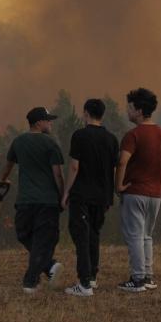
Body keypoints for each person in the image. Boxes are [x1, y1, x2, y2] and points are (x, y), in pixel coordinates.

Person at [0, 107, 65, 294]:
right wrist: (62, 196)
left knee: (24, 235)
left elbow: (8, 165)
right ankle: (39, 275)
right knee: (42, 241)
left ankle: (36, 276)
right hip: (47, 201)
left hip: (26, 201)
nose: (50, 123)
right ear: (38, 123)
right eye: (47, 120)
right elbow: (58, 174)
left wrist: (3, 180)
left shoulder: (18, 142)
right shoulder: (50, 144)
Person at [61, 99, 119, 297]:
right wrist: (110, 195)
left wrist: (66, 191)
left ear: (85, 113)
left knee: (81, 236)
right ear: (102, 115)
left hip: (82, 195)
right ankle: (92, 278)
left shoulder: (79, 135)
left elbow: (74, 166)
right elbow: (112, 169)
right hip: (102, 196)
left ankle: (83, 284)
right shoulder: (112, 139)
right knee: (94, 234)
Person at [116, 88, 161, 292]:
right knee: (147, 235)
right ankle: (148, 276)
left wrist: (119, 185)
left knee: (134, 236)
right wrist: (159, 186)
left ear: (138, 110)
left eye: (129, 108)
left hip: (135, 191)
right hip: (155, 194)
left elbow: (122, 162)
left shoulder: (133, 135)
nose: (127, 111)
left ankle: (137, 279)